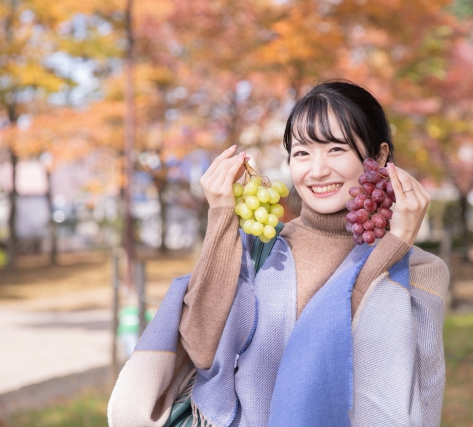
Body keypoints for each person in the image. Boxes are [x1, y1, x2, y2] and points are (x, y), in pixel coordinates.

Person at [108, 81, 450, 427]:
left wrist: (395, 245)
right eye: (302, 153)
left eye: (335, 149)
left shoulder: (419, 268)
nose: (316, 170)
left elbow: (408, 385)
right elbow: (201, 348)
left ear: (379, 156)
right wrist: (221, 217)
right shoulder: (264, 249)